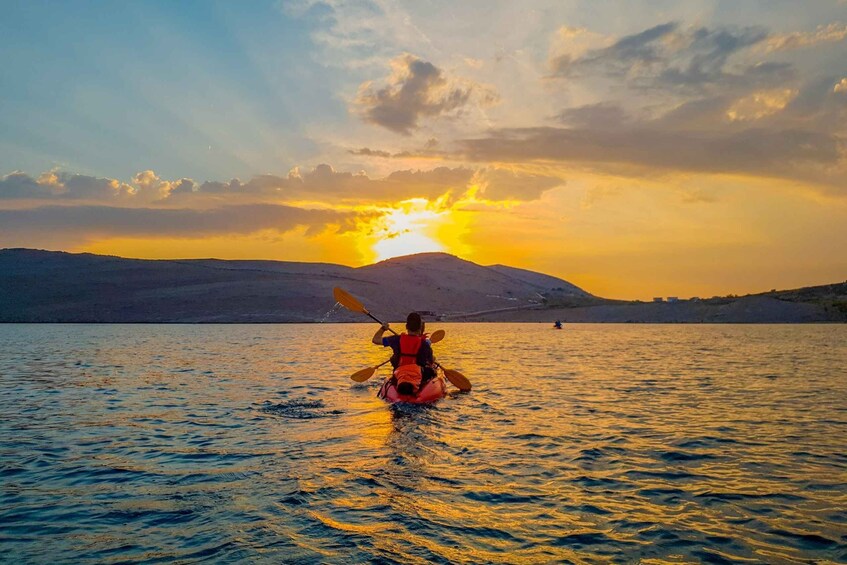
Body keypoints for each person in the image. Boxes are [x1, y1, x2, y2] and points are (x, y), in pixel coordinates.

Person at [372, 312, 436, 396]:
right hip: (419, 377)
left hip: (399, 375)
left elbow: (375, 340)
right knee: (432, 371)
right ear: (420, 328)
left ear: (406, 326)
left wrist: (383, 329)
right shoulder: (425, 344)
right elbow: (431, 362)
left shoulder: (396, 339)